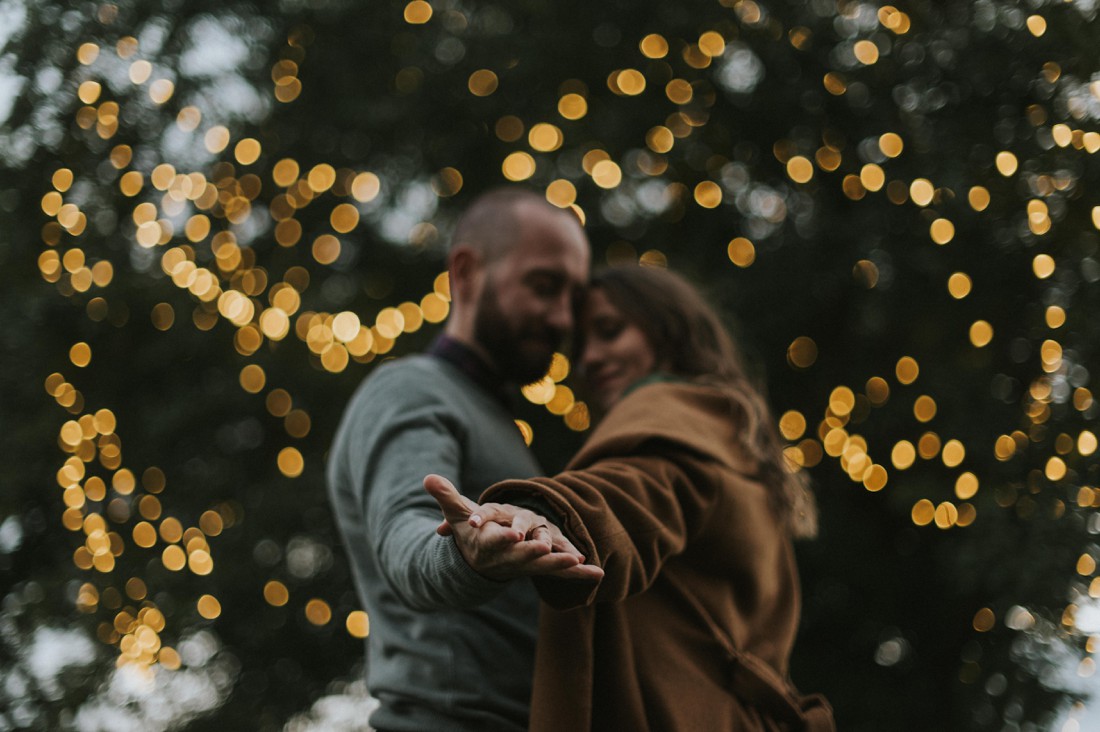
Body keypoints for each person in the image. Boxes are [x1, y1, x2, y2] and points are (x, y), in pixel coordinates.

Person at [427, 265, 834, 731]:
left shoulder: (670, 419)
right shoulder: (728, 434)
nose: (591, 359)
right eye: (580, 349)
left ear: (671, 332)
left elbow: (639, 491)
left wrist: (546, 513)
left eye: (610, 332)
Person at [326, 187, 599, 732]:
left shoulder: (491, 417)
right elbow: (406, 529)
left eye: (573, 298)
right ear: (468, 272)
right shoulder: (411, 389)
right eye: (544, 287)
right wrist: (466, 553)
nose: (562, 318)